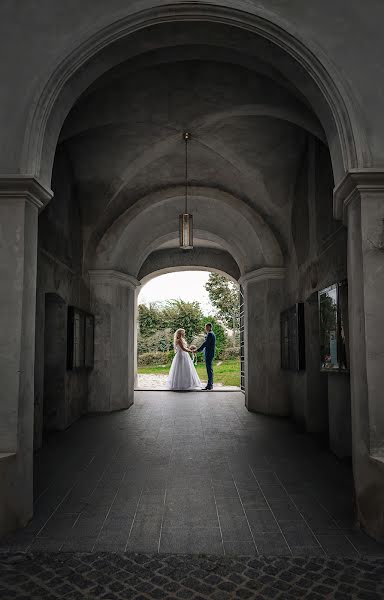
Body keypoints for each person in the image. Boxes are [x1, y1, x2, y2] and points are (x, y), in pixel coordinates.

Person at [196, 323, 216, 390]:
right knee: (209, 369)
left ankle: (209, 386)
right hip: (209, 353)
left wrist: (198, 350)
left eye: (207, 327)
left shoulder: (210, 334)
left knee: (209, 369)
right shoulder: (210, 334)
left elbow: (206, 343)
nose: (206, 328)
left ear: (210, 327)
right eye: (205, 327)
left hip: (209, 354)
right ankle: (210, 384)